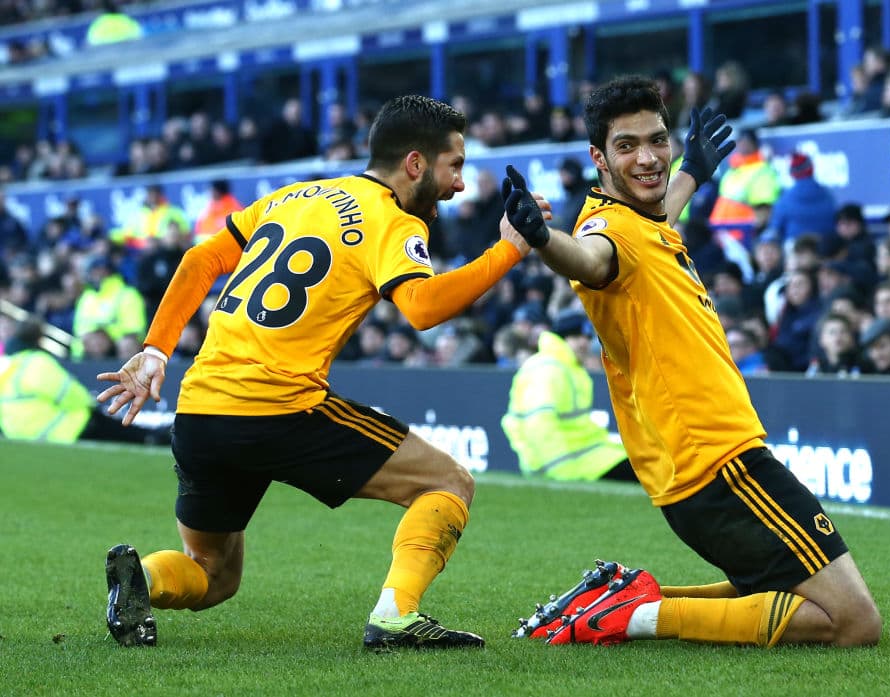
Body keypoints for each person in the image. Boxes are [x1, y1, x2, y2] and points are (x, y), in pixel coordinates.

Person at [95, 95, 532, 650]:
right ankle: (396, 617)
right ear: (415, 164)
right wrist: (509, 250)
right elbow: (422, 308)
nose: (461, 186)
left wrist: (156, 350)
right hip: (280, 407)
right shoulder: (390, 219)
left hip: (202, 409)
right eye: (455, 167)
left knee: (212, 574)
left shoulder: (293, 196)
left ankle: (145, 580)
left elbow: (199, 260)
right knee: (449, 482)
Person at [501, 76, 881, 649]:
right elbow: (588, 258)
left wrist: (693, 173)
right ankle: (631, 617)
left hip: (708, 463)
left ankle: (617, 598)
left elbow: (657, 214)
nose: (649, 157)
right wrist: (543, 239)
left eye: (659, 139)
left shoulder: (639, 218)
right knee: (853, 623)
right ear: (597, 158)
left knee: (775, 586)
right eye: (627, 147)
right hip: (717, 463)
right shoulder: (606, 232)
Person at [501, 309, 635, 482]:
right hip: (570, 463)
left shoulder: (567, 366)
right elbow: (539, 424)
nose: (584, 343)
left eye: (587, 338)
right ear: (563, 338)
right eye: (577, 337)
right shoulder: (549, 368)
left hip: (587, 455)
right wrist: (560, 470)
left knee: (649, 464)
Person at [0, 320, 168, 444]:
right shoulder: (37, 362)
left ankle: (150, 436)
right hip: (59, 431)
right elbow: (68, 393)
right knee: (95, 419)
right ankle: (151, 438)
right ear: (38, 341)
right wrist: (89, 402)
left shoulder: (6, 364)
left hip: (17, 435)